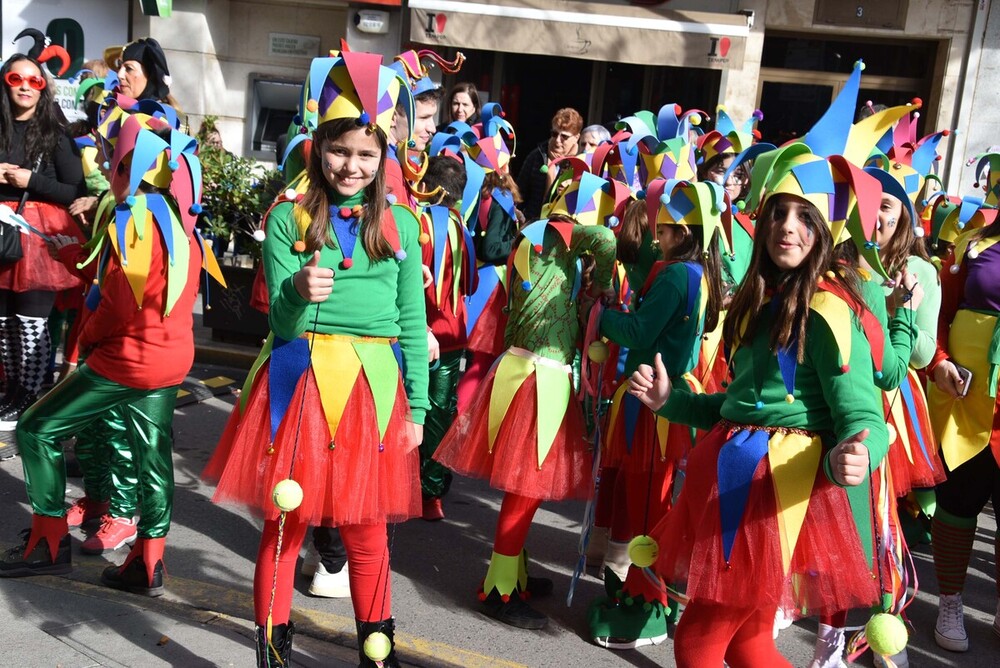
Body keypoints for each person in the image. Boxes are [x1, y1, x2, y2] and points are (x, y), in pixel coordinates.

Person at [203, 50, 428, 668]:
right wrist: (298, 292)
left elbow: (412, 323)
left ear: (384, 157)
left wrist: (421, 408)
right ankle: (272, 658)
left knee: (367, 533)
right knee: (284, 524)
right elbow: (279, 324)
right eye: (339, 151)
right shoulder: (286, 218)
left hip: (374, 391)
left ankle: (375, 658)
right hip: (299, 385)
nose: (350, 166)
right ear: (316, 146)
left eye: (365, 154)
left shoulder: (403, 225)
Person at [0, 92, 221, 601]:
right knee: (153, 458)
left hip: (127, 358)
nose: (101, 168)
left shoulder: (134, 219)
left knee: (35, 428)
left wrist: (90, 339)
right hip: (171, 358)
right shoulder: (181, 221)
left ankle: (48, 543)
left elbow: (120, 304)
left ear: (128, 166)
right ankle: (148, 561)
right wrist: (82, 255)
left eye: (109, 160)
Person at [434, 172, 627, 629]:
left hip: (526, 371)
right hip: (539, 378)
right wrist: (601, 285)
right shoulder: (560, 235)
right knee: (526, 490)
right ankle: (499, 591)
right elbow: (603, 240)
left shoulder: (539, 239)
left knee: (528, 490)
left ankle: (513, 575)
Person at [588, 178, 726, 650]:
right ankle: (651, 594)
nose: (656, 237)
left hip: (653, 397)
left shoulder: (674, 275)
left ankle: (647, 605)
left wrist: (599, 315)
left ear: (684, 233)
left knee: (649, 503)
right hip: (665, 394)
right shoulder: (695, 273)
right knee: (652, 498)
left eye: (665, 229)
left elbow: (640, 330)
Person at [925, 151, 1000, 655]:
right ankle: (949, 600)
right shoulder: (974, 243)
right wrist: (942, 362)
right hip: (968, 400)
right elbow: (942, 313)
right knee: (958, 501)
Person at [0, 44, 86, 429]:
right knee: (3, 322)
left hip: (38, 236)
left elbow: (76, 190)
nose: (25, 87)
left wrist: (29, 180)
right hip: (3, 231)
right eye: (16, 78)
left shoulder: (55, 132)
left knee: (30, 322)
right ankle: (15, 392)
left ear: (42, 88)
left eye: (33, 80)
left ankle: (32, 396)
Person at [415, 155, 474, 521]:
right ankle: (430, 491)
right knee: (439, 412)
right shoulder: (461, 228)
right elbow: (471, 283)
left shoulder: (416, 223)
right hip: (450, 334)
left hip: (415, 330)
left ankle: (408, 485)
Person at [516, 107, 583, 220]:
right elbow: (519, 193)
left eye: (564, 136)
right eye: (554, 134)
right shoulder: (537, 156)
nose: (557, 140)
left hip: (562, 226)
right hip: (532, 222)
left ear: (576, 138)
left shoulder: (581, 163)